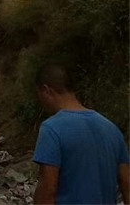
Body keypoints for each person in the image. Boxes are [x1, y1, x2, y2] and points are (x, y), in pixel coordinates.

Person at [33, 64, 129, 205]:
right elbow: (127, 185)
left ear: (46, 90)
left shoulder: (51, 129)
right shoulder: (111, 128)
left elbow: (48, 189)